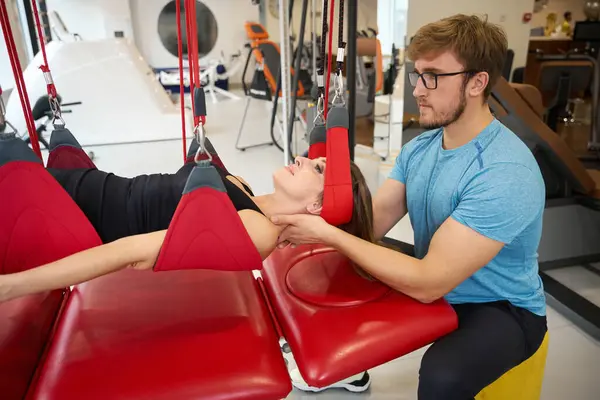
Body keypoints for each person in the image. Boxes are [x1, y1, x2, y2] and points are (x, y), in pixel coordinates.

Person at [272, 14, 549, 399]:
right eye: (417, 74)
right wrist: (302, 215)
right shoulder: (420, 148)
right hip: (434, 276)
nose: (418, 89)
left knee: (443, 376)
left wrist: (326, 234)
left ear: (477, 82)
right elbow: (372, 226)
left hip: (498, 306)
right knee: (331, 266)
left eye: (432, 76)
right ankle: (350, 371)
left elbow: (428, 282)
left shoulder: (505, 172)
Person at [0, 139, 375, 304]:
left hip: (74, 211)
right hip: (87, 186)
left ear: (316, 206)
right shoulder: (244, 187)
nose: (303, 158)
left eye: (318, 167)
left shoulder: (259, 231)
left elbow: (129, 252)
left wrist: (13, 287)